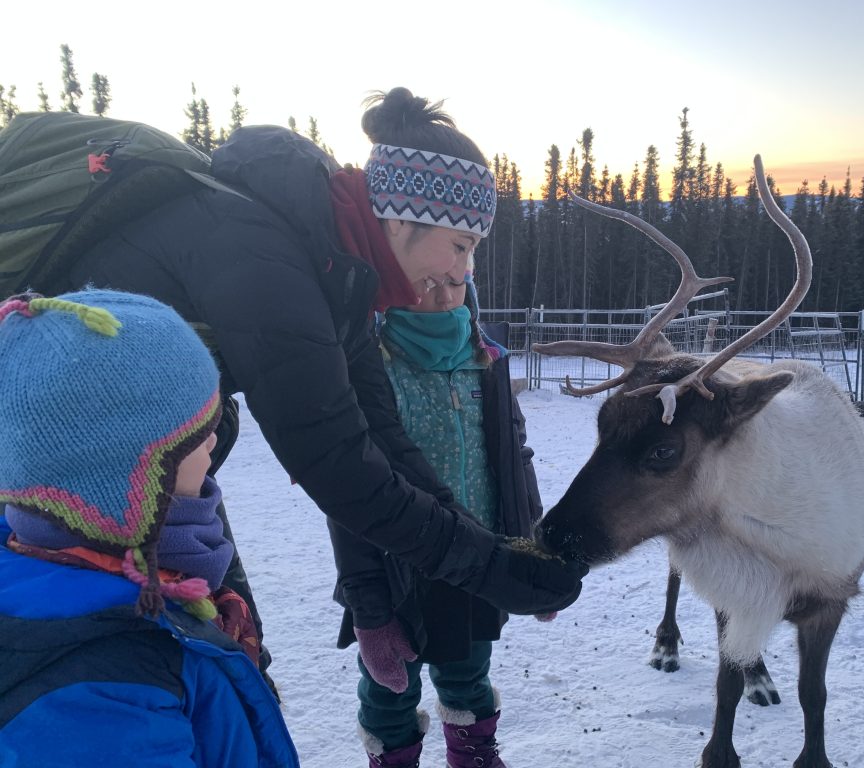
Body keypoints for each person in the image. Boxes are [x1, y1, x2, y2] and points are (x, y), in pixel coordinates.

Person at [54, 88, 586, 694]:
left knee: (232, 658)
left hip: (153, 459)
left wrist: (492, 551)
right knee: (185, 668)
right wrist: (489, 567)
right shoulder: (267, 256)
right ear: (404, 214)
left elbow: (382, 437)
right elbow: (335, 461)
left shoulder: (339, 273)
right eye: (462, 247)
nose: (464, 274)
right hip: (75, 473)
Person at [0, 289, 298, 767]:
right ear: (121, 478)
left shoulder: (144, 582)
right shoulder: (101, 694)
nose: (214, 442)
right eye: (196, 433)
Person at [347, 252, 544, 766]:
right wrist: (369, 609)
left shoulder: (487, 360)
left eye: (455, 282)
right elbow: (347, 492)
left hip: (476, 556)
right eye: (426, 282)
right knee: (389, 684)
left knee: (470, 669)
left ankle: (473, 753)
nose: (443, 297)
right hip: (396, 565)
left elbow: (514, 455)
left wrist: (535, 549)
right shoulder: (370, 366)